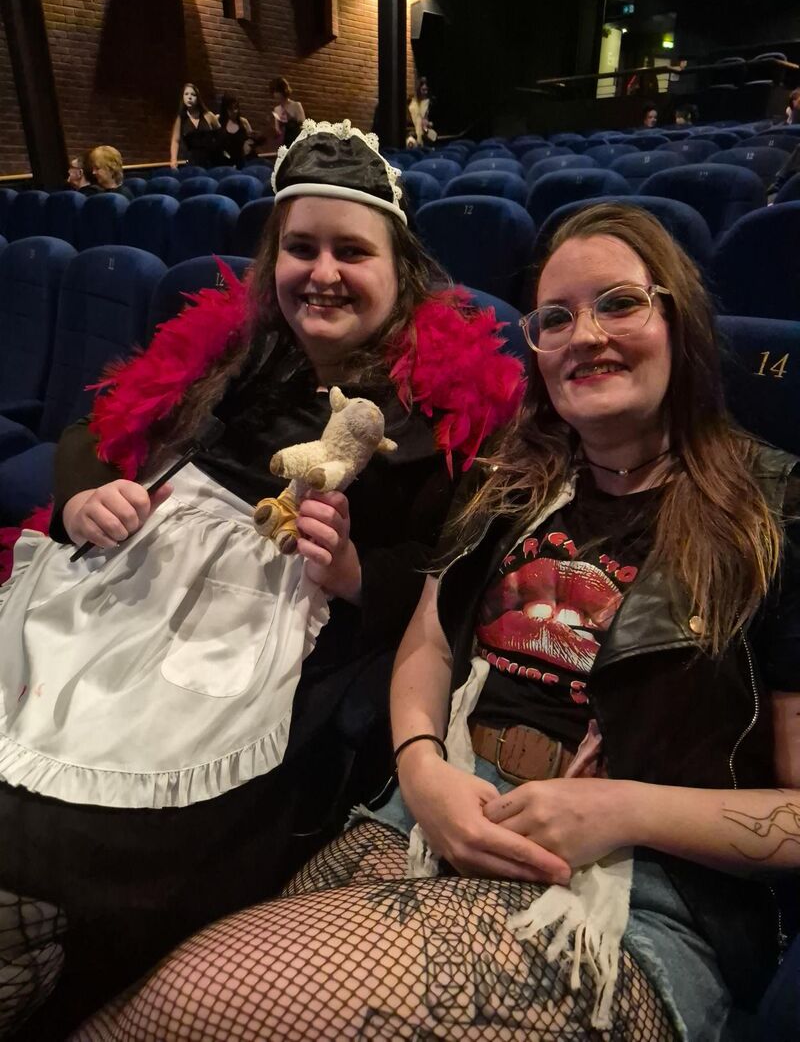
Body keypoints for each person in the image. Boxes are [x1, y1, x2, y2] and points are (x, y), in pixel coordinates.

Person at [79, 203, 800, 1042]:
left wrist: (620, 808)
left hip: (630, 897)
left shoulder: (776, 508)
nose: (586, 335)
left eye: (620, 303)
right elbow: (426, 640)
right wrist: (422, 770)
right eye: (557, 317)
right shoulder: (512, 480)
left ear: (680, 320)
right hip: (434, 815)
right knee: (180, 987)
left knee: (192, 1002)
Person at [0, 119, 523, 1037]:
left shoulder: (441, 408)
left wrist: (357, 569)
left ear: (401, 271)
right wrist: (87, 496)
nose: (321, 272)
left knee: (63, 838)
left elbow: (457, 584)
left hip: (262, 665)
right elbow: (95, 433)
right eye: (300, 247)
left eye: (350, 252)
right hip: (118, 613)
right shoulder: (232, 356)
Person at [169, 82, 220, 169]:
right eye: (186, 94)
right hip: (191, 161)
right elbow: (175, 140)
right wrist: (173, 160)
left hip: (211, 160)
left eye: (193, 95)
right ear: (183, 97)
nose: (189, 97)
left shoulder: (208, 115)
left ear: (197, 98)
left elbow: (220, 134)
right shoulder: (181, 118)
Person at [217, 92, 261, 168]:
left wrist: (251, 142)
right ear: (225, 109)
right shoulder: (218, 120)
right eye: (231, 109)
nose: (235, 111)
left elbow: (251, 141)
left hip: (243, 161)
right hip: (225, 163)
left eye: (236, 108)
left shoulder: (243, 122)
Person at [270, 76, 305, 148]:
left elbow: (303, 125)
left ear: (283, 91)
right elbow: (278, 131)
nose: (275, 94)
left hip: (296, 141)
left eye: (277, 91)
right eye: (273, 92)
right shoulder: (276, 109)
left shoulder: (296, 105)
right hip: (284, 144)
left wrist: (290, 118)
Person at [407, 76, 437, 148]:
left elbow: (436, 124)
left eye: (426, 85)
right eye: (422, 84)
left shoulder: (432, 103)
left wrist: (428, 125)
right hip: (412, 140)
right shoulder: (410, 103)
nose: (424, 87)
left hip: (427, 141)